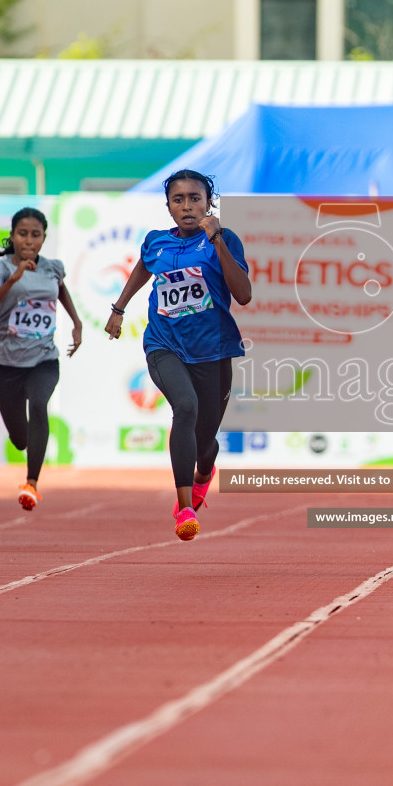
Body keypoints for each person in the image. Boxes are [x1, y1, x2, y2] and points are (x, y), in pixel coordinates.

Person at [105, 170, 251, 541]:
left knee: (206, 444)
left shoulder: (224, 239)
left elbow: (244, 294)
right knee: (184, 407)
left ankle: (204, 474)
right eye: (178, 199)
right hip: (164, 344)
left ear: (208, 202)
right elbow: (142, 267)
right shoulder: (155, 242)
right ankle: (185, 507)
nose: (187, 206)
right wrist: (119, 309)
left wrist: (215, 238)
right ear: (168, 205)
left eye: (195, 198)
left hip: (214, 352)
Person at [0, 207, 83, 510]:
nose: (29, 240)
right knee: (20, 439)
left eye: (35, 235)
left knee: (39, 404)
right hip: (5, 364)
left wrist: (76, 322)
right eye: (22, 234)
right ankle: (23, 442)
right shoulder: (1, 269)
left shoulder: (53, 267)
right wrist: (13, 280)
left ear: (43, 238)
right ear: (12, 236)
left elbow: (60, 290)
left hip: (44, 359)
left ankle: (32, 483)